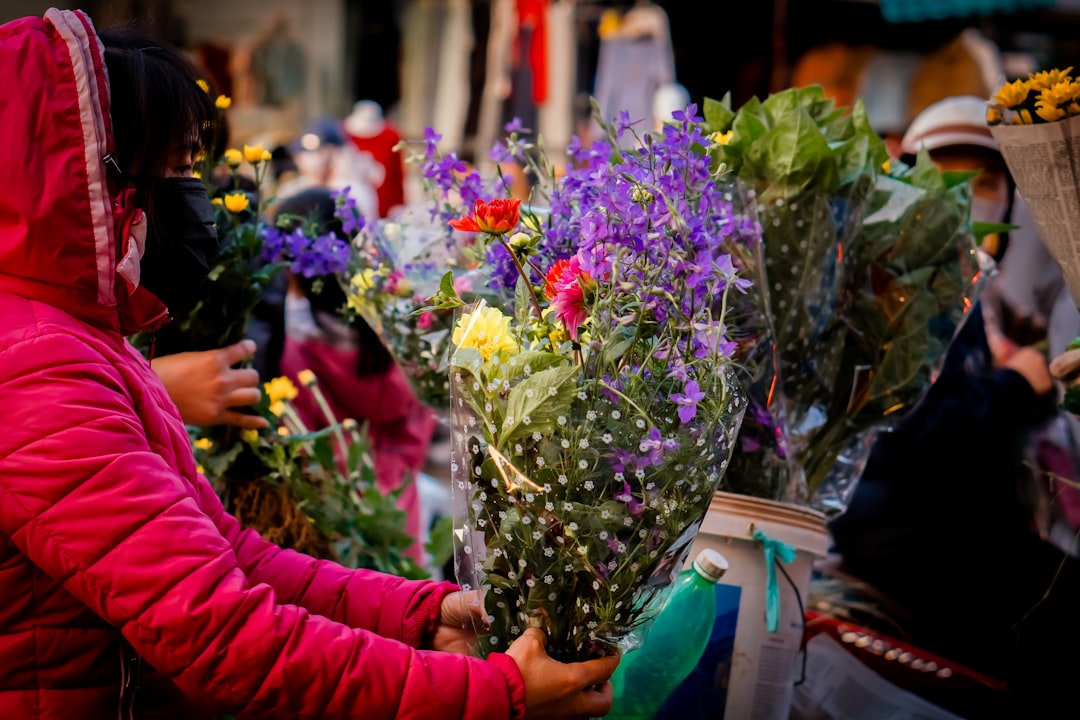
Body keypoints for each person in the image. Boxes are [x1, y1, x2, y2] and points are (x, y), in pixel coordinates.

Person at [0, 10, 618, 719]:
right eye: (174, 171)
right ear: (91, 183)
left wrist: (419, 613)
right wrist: (493, 696)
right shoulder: (39, 369)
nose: (191, 198)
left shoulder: (78, 337)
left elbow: (231, 557)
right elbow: (225, 639)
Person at [828, 94, 1080, 715]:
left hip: (931, 528)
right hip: (910, 540)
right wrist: (1020, 384)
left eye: (989, 179)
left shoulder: (956, 278)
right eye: (947, 176)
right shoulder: (906, 273)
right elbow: (918, 427)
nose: (968, 194)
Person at [271, 186, 436, 563]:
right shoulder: (397, 331)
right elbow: (422, 420)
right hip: (397, 506)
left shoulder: (294, 348)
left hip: (333, 521)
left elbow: (302, 447)